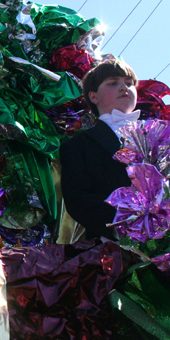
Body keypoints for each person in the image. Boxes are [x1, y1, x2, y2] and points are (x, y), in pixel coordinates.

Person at [59, 59, 139, 239]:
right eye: (113, 83)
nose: (124, 88)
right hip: (113, 243)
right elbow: (78, 199)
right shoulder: (78, 145)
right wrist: (125, 225)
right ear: (94, 97)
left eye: (129, 83)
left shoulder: (159, 135)